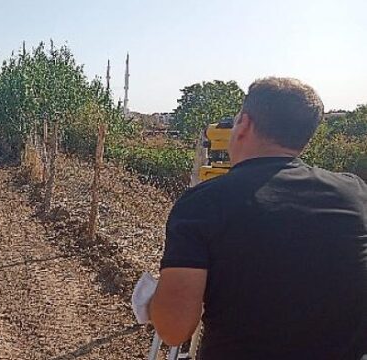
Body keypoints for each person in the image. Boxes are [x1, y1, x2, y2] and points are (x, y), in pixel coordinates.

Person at [143, 77, 366, 359]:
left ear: (244, 125)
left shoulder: (204, 203)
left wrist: (151, 304)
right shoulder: (356, 194)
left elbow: (174, 330)